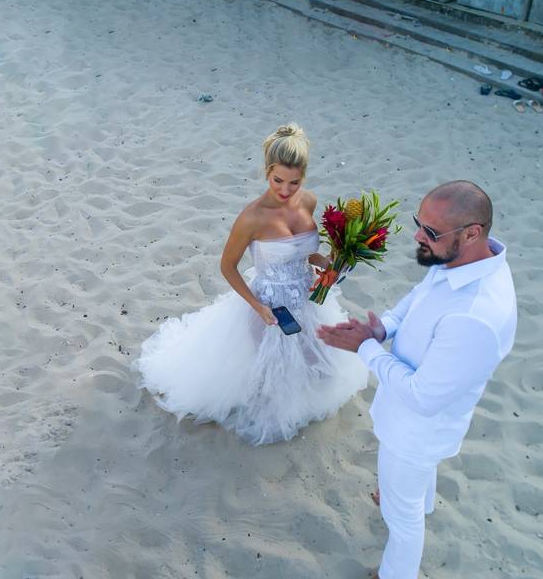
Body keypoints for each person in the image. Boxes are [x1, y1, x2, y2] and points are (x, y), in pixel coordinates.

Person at [317, 180, 517, 579]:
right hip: (413, 423)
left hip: (417, 430)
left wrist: (365, 349)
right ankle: (411, 498)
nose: (418, 236)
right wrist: (382, 330)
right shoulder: (460, 260)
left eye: (431, 231)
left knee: (404, 518)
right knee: (408, 491)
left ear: (472, 232)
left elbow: (423, 398)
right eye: (418, 223)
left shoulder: (475, 315)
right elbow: (418, 297)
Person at [134, 124, 368, 445]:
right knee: (270, 378)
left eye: (294, 182)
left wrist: (331, 266)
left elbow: (307, 252)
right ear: (267, 172)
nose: (285, 190)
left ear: (304, 177)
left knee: (321, 366)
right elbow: (227, 267)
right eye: (278, 181)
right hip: (270, 302)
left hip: (308, 295)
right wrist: (257, 306)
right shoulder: (252, 218)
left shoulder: (308, 202)